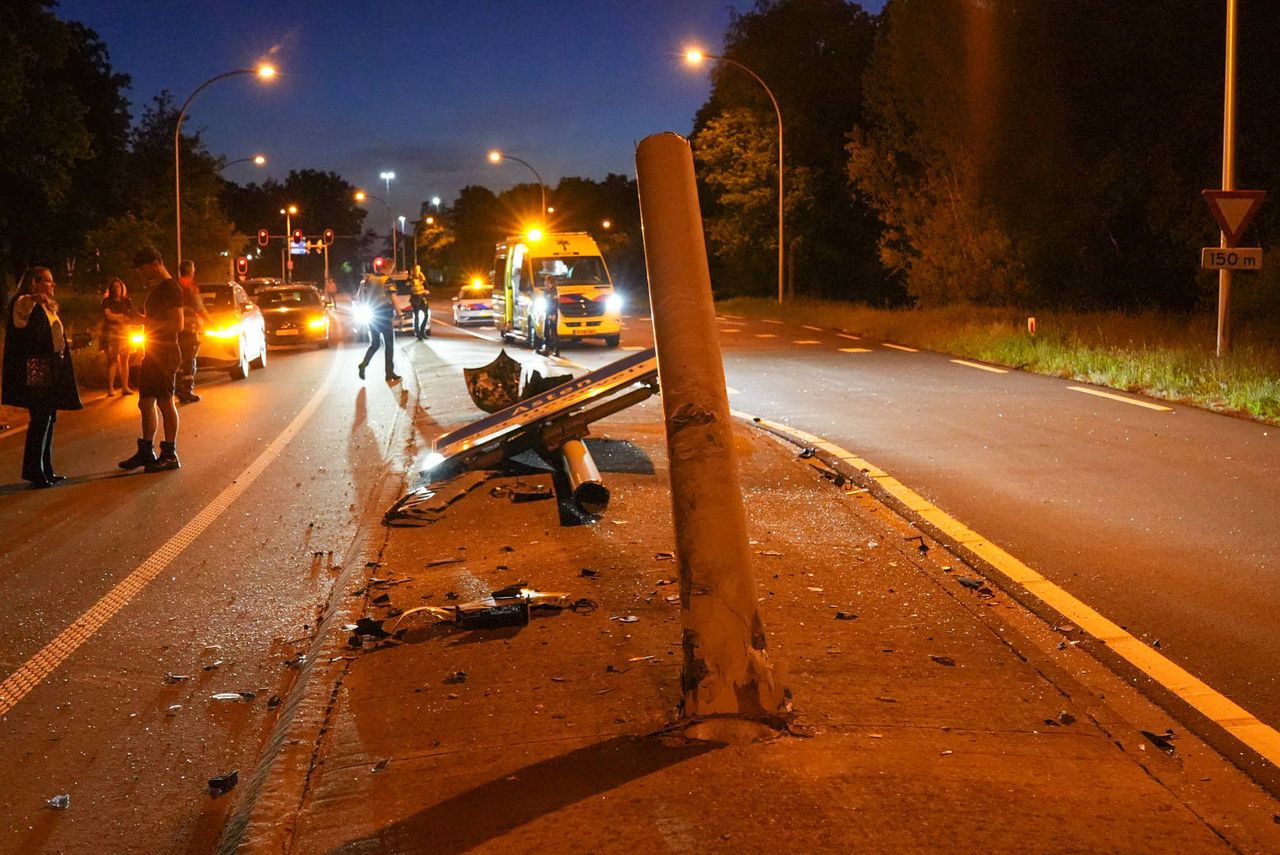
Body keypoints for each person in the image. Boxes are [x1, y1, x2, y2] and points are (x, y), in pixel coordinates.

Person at [2, 266, 83, 488]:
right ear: (35, 282)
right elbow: (22, 314)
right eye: (48, 281)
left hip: (53, 366)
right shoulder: (25, 303)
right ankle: (34, 471)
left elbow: (54, 337)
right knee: (40, 418)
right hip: (37, 367)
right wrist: (33, 296)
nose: (53, 285)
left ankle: (45, 468)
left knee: (48, 417)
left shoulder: (48, 307)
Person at [117, 247, 184, 472]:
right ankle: (146, 451)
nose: (140, 273)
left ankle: (170, 453)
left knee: (165, 402)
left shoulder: (171, 288)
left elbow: (177, 324)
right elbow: (155, 319)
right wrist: (139, 318)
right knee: (145, 402)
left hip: (165, 353)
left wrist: (145, 322)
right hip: (152, 351)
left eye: (142, 268)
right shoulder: (156, 288)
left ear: (155, 263)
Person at [175, 259, 211, 404]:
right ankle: (187, 391)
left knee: (179, 360)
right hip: (190, 329)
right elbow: (199, 307)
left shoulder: (175, 286)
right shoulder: (190, 287)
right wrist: (211, 322)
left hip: (177, 328)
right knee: (190, 361)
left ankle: (177, 387)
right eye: (194, 268)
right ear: (190, 270)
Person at [355, 275, 399, 382]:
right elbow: (393, 297)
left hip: (373, 315)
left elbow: (360, 297)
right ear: (389, 267)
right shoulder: (388, 280)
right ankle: (389, 373)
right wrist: (399, 312)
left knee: (375, 344)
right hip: (384, 315)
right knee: (389, 345)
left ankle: (364, 364)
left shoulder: (368, 280)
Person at [101, 277, 135, 396]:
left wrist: (119, 318)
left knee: (125, 359)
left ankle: (125, 386)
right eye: (114, 287)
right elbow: (108, 315)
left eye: (118, 286)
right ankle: (110, 388)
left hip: (125, 333)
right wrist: (121, 317)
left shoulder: (127, 301)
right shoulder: (106, 301)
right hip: (111, 333)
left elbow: (130, 316)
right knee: (112, 360)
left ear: (122, 288)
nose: (116, 289)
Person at [538, 274, 561, 357]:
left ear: (551, 283)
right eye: (545, 282)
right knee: (546, 332)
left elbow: (556, 304)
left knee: (553, 332)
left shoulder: (553, 291)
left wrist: (553, 314)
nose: (545, 283)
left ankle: (556, 350)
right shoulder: (546, 291)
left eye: (547, 282)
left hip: (552, 313)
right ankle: (547, 350)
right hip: (547, 313)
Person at [409, 266, 429, 339]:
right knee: (416, 317)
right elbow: (408, 285)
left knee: (426, 315)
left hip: (422, 298)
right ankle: (418, 333)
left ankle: (422, 331)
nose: (417, 271)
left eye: (418, 270)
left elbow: (426, 286)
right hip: (415, 299)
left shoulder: (421, 277)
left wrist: (424, 280)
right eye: (415, 270)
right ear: (413, 271)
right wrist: (411, 277)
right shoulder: (411, 278)